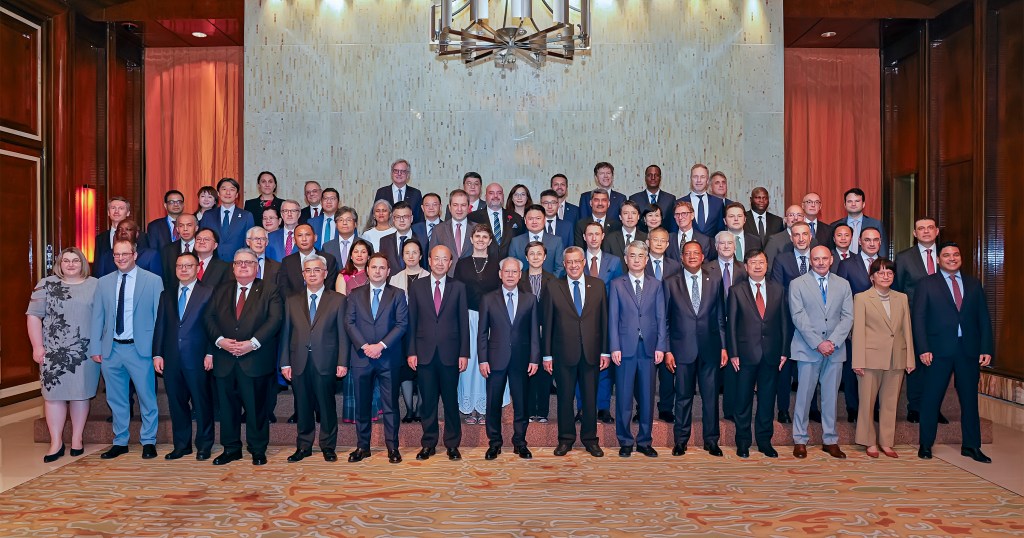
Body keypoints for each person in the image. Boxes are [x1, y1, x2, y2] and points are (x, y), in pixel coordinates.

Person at [912, 242, 993, 463]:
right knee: (931, 398)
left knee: (969, 399)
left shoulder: (974, 284)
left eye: (955, 254)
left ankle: (971, 446)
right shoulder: (926, 284)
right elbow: (918, 318)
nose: (952, 258)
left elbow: (983, 318)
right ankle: (925, 444)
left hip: (968, 350)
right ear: (939, 260)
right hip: (937, 350)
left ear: (961, 258)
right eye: (946, 255)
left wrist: (986, 348)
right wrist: (923, 348)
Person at [203, 248, 284, 466]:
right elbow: (209, 317)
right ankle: (231, 449)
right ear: (233, 267)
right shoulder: (221, 289)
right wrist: (220, 340)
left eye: (248, 262)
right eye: (239, 263)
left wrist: (252, 343)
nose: (243, 266)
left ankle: (258, 449)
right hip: (225, 359)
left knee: (256, 409)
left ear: (257, 267)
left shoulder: (270, 289)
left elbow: (275, 320)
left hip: (254, 360)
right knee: (227, 409)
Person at [89, 240, 163, 460]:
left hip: (140, 350)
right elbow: (97, 317)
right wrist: (96, 347)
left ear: (135, 255)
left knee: (147, 398)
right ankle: (120, 441)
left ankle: (148, 441)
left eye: (125, 254)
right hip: (111, 349)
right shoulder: (103, 282)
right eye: (116, 255)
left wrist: (158, 350)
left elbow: (159, 319)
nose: (120, 258)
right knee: (116, 399)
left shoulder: (153, 281)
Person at [27, 248, 99, 462]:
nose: (70, 264)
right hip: (52, 352)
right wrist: (37, 347)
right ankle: (56, 442)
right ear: (59, 264)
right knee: (53, 397)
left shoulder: (95, 285)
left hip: (84, 352)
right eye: (66, 260)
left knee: (80, 394)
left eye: (75, 260)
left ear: (82, 263)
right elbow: (33, 316)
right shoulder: (46, 284)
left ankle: (77, 439)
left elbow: (103, 318)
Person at [542, 246, 609, 458]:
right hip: (563, 353)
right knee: (565, 398)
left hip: (591, 353)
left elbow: (604, 321)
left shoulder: (598, 285)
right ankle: (565, 439)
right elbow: (547, 322)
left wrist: (605, 352)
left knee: (590, 399)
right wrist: (547, 355)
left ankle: (590, 440)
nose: (573, 265)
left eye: (577, 261)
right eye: (569, 262)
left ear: (584, 262)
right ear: (564, 264)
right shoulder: (553, 286)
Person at [280, 256, 349, 463]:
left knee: (327, 406)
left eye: (317, 270)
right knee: (302, 406)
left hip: (326, 361)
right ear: (303, 275)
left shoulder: (338, 300)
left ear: (325, 273)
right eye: (308, 270)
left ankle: (328, 446)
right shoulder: (292, 300)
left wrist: (342, 361)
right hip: (298, 361)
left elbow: (343, 334)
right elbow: (286, 333)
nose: (312, 274)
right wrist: (285, 362)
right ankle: (304, 446)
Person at [789, 245, 854, 460]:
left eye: (824, 258)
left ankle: (830, 440)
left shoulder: (843, 284)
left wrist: (832, 342)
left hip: (835, 349)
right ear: (810, 260)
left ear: (831, 259)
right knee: (804, 396)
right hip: (808, 348)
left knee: (830, 397)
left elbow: (848, 317)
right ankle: (800, 439)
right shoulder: (797, 284)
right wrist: (818, 343)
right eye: (816, 259)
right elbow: (798, 316)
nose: (820, 262)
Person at [664, 241, 727, 457]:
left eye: (696, 253)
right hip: (681, 349)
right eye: (687, 253)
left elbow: (720, 317)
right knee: (683, 397)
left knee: (711, 398)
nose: (692, 256)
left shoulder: (715, 280)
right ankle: (681, 441)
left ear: (702, 257)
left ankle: (711, 441)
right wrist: (668, 350)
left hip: (711, 348)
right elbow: (665, 320)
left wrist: (724, 347)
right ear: (681, 257)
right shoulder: (670, 282)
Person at [408, 245, 471, 460]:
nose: (440, 263)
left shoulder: (459, 287)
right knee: (428, 402)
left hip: (451, 354)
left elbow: (463, 323)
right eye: (437, 258)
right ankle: (429, 443)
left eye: (445, 259)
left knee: (451, 401)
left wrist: (464, 353)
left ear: (450, 263)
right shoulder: (417, 286)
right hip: (424, 353)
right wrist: (411, 351)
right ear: (429, 260)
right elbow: (412, 321)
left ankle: (452, 444)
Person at [345, 254, 408, 463]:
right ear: (367, 270)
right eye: (374, 267)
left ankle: (393, 448)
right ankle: (362, 447)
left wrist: (380, 346)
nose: (378, 271)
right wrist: (365, 347)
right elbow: (349, 323)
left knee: (391, 406)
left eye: (382, 268)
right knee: (362, 405)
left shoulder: (397, 294)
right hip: (361, 358)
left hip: (388, 357)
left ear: (388, 271)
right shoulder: (355, 294)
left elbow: (402, 324)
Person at [152, 251, 215, 461]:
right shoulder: (167, 294)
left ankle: (204, 445)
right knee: (176, 404)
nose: (184, 269)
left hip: (198, 358)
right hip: (171, 359)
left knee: (202, 403)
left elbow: (213, 326)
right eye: (180, 266)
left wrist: (210, 352)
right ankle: (181, 445)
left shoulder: (208, 292)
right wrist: (157, 354)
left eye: (188, 266)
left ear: (197, 268)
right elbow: (160, 325)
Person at [726, 249, 788, 458]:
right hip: (744, 355)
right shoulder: (736, 290)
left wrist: (784, 351)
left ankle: (764, 442)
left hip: (771, 354)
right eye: (753, 262)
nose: (758, 266)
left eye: (761, 262)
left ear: (767, 265)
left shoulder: (778, 289)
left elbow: (784, 322)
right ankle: (743, 442)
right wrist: (733, 352)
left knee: (767, 400)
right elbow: (731, 324)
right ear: (746, 267)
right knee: (742, 401)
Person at [478, 257, 541, 460]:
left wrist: (534, 358)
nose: (511, 275)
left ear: (520, 275)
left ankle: (520, 443)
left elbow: (534, 332)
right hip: (495, 360)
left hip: (521, 360)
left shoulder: (530, 299)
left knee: (521, 404)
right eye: (507, 271)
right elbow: (482, 333)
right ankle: (494, 443)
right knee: (493, 404)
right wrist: (483, 359)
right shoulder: (488, 299)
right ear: (500, 274)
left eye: (514, 272)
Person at [852, 257, 914, 458]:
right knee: (867, 403)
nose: (885, 276)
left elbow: (907, 329)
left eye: (889, 273)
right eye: (880, 272)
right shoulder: (862, 298)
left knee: (890, 403)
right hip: (870, 358)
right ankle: (869, 441)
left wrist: (910, 358)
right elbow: (857, 331)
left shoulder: (901, 298)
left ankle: (887, 442)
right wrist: (857, 361)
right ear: (872, 277)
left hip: (896, 357)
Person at [609, 241, 666, 457]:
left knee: (647, 397)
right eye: (632, 255)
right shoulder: (617, 284)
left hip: (649, 349)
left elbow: (661, 317)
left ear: (646, 259)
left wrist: (661, 345)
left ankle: (644, 441)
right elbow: (613, 318)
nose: (636, 260)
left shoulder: (656, 284)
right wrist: (614, 346)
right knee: (624, 397)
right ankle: (625, 441)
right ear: (626, 259)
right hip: (624, 349)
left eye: (640, 256)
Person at [895, 217, 946, 424]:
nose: (926, 231)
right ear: (915, 233)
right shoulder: (904, 257)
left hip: (942, 322)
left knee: (938, 367)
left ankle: (934, 408)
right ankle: (915, 407)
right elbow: (898, 290)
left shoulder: (947, 255)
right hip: (914, 320)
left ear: (937, 231)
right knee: (916, 365)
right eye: (921, 228)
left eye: (930, 228)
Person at [453, 225, 504, 425]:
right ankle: (470, 408)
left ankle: (485, 408)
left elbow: (501, 292)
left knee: (487, 362)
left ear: (490, 241)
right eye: (477, 236)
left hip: (491, 319)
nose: (481, 240)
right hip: (468, 318)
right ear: (471, 239)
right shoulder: (462, 264)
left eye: (485, 237)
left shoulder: (497, 263)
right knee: (470, 362)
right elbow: (457, 292)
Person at [836, 227, 884, 421]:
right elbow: (840, 295)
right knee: (852, 367)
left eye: (875, 240)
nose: (872, 243)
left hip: (881, 327)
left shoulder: (887, 264)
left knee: (877, 368)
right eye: (867, 240)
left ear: (880, 242)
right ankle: (853, 408)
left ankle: (875, 408)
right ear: (859, 242)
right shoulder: (847, 264)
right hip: (854, 324)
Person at [705, 231, 747, 421]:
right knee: (713, 370)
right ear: (716, 246)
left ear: (735, 246)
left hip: (739, 326)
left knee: (733, 370)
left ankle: (731, 410)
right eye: (722, 243)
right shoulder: (706, 269)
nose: (726, 246)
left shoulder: (744, 269)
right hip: (712, 325)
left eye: (730, 243)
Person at [388, 238, 427, 423]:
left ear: (421, 255)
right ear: (402, 256)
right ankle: (409, 409)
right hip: (402, 332)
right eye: (407, 253)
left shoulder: (429, 276)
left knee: (424, 371)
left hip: (424, 332)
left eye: (414, 252)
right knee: (405, 371)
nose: (411, 256)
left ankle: (420, 408)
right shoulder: (395, 278)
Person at [519, 241, 557, 424]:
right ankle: (527, 411)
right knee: (526, 371)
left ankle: (542, 411)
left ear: (545, 257)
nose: (535, 257)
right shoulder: (519, 279)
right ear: (526, 257)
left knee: (544, 372)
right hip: (524, 332)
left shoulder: (553, 280)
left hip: (546, 332)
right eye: (531, 254)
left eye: (539, 253)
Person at [198, 178, 255, 262]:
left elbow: (249, 243)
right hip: (212, 263)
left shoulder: (246, 216)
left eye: (232, 189)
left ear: (237, 195)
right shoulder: (208, 215)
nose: (228, 193)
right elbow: (201, 240)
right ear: (218, 193)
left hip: (237, 263)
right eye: (224, 189)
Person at [276, 223, 340, 298]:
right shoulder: (287, 262)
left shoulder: (329, 259)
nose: (304, 239)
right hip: (294, 303)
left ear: (315, 238)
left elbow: (330, 286)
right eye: (300, 235)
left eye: (308, 235)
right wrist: (295, 303)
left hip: (324, 303)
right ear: (294, 240)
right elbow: (284, 289)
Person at [469, 183, 525, 259]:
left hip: (509, 264)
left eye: (499, 193)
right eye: (491, 193)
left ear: (503, 196)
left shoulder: (516, 218)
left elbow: (521, 243)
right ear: (485, 197)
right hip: (482, 263)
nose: (495, 196)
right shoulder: (473, 217)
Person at [510, 204, 565, 278]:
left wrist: (550, 283)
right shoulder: (516, 242)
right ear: (525, 221)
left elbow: (560, 267)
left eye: (538, 218)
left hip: (551, 283)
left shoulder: (556, 241)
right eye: (530, 219)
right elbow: (512, 268)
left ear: (544, 220)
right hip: (523, 284)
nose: (534, 222)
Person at [95, 219, 163, 278]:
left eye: (128, 229)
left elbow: (156, 283)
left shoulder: (150, 256)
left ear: (136, 234)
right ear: (116, 234)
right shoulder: (106, 256)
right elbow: (100, 282)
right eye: (120, 230)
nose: (123, 232)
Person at [429, 190, 473, 275]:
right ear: (449, 207)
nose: (459, 209)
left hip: (471, 277)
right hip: (447, 278)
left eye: (463, 205)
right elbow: (432, 257)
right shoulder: (438, 229)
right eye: (455, 205)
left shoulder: (477, 229)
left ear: (468, 207)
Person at [831, 188, 887, 256]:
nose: (853, 204)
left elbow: (882, 251)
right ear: (845, 205)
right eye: (849, 201)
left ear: (863, 204)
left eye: (857, 201)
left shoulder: (876, 224)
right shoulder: (834, 225)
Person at [94, 197, 143, 267]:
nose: (116, 211)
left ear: (128, 213)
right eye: (113, 208)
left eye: (121, 208)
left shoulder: (140, 236)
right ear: (108, 212)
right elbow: (97, 265)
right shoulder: (100, 238)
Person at [679, 163, 725, 237]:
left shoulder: (718, 203)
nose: (699, 180)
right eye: (695, 177)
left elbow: (721, 231)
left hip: (711, 244)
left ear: (707, 180)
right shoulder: (679, 203)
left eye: (702, 177)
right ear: (691, 179)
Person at [629, 164, 677, 232]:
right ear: (645, 178)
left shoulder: (670, 199)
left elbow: (673, 224)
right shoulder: (635, 198)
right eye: (649, 175)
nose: (653, 178)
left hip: (663, 237)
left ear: (660, 178)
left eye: (656, 175)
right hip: (640, 237)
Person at [378, 201, 425, 271]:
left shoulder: (423, 240)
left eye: (405, 217)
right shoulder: (384, 241)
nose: (401, 220)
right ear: (393, 219)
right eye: (398, 217)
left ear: (411, 218)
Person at [160, 213, 199, 291]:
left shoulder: (203, 248)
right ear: (177, 229)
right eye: (181, 226)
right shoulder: (167, 250)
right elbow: (166, 277)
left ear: (196, 228)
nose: (185, 229)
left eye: (189, 225)